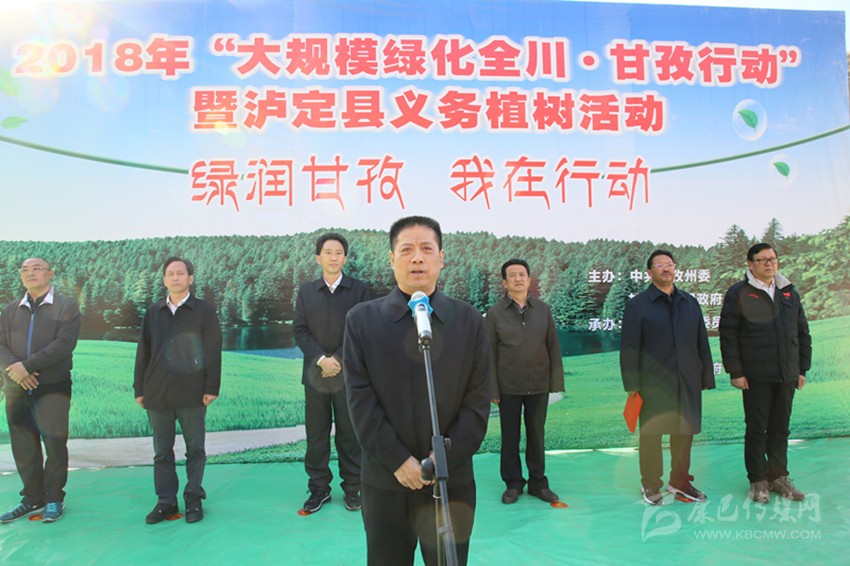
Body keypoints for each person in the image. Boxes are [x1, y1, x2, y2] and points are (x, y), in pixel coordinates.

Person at [343, 216, 491, 566]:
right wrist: (399, 461)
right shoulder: (362, 321)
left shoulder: (469, 321)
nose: (417, 258)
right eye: (406, 250)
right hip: (386, 479)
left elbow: (477, 401)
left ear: (441, 258)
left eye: (427, 249)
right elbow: (360, 401)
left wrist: (442, 460)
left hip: (450, 481)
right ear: (392, 259)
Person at [620, 250, 715, 506]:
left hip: (687, 380)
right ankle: (651, 483)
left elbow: (701, 342)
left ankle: (680, 481)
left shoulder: (689, 302)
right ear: (649, 272)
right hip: (653, 384)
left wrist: (705, 376)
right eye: (659, 265)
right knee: (652, 434)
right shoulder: (638, 305)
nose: (665, 269)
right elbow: (629, 347)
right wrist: (632, 384)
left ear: (675, 269)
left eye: (669, 264)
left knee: (685, 432)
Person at [719, 243, 811, 504]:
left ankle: (779, 476)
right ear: (750, 264)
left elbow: (802, 331)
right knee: (757, 428)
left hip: (787, 372)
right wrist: (736, 372)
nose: (769, 264)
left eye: (772, 259)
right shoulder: (739, 293)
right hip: (755, 375)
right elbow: (728, 335)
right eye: (762, 260)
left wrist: (801, 369)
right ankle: (758, 479)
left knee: (781, 427)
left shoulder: (788, 291)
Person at [134, 257, 222, 524]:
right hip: (157, 391)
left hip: (192, 391)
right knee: (162, 451)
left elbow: (213, 351)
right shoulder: (154, 311)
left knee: (195, 449)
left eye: (180, 273)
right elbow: (143, 351)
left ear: (190, 279)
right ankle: (166, 501)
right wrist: (140, 388)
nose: (175, 278)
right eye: (170, 274)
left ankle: (193, 497)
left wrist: (211, 387)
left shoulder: (204, 310)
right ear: (164, 280)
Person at [294, 232, 370, 513]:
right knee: (316, 435)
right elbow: (300, 330)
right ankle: (318, 488)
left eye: (339, 252)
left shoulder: (359, 291)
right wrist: (321, 359)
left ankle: (352, 488)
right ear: (318, 258)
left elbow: (361, 329)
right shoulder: (306, 292)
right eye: (328, 252)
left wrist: (336, 359)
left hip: (347, 375)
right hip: (314, 376)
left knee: (349, 434)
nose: (333, 257)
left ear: (345, 258)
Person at [0, 258, 80, 524]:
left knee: (54, 444)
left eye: (36, 269)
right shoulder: (10, 309)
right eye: (24, 270)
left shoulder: (66, 306)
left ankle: (54, 497)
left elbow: (64, 344)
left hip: (53, 388)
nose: (30, 273)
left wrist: (28, 366)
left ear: (50, 273)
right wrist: (17, 370)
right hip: (15, 388)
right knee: (24, 445)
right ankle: (32, 498)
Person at [485, 258, 564, 505]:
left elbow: (553, 347)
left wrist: (555, 383)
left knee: (536, 435)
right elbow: (489, 354)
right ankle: (513, 483)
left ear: (529, 280)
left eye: (522, 274)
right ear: (504, 282)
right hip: (508, 387)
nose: (518, 279)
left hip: (538, 384)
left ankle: (538, 483)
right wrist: (492, 388)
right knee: (510, 437)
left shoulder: (543, 310)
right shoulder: (495, 314)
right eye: (512, 275)